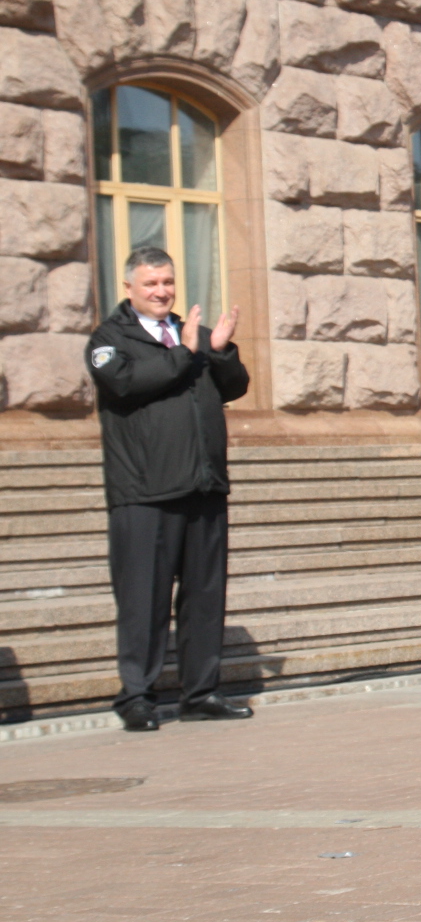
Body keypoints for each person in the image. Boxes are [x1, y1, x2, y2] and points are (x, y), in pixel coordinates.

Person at [86, 246, 252, 732]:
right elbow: (126, 383)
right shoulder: (109, 338)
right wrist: (187, 352)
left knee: (205, 597)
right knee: (144, 599)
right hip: (144, 491)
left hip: (203, 485)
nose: (162, 292)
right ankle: (136, 697)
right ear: (129, 288)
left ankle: (201, 693)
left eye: (168, 282)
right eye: (151, 284)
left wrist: (219, 350)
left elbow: (234, 386)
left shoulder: (191, 333)